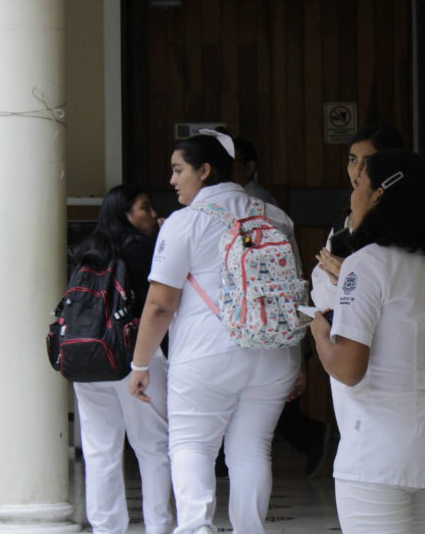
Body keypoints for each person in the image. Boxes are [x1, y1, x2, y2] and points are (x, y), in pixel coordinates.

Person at [128, 132, 302, 534]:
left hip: (207, 352)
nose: (172, 181)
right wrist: (300, 359)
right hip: (276, 351)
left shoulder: (184, 222)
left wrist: (141, 363)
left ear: (204, 171)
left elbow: (159, 304)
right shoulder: (274, 217)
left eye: (178, 170)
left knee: (193, 445)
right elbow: (291, 292)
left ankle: (196, 530)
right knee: (252, 450)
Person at [311, 149, 425, 534]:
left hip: (380, 447)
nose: (351, 196)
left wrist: (321, 334)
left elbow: (350, 369)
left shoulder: (366, 264)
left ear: (379, 195)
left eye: (359, 186)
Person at [71, 184, 173, 534]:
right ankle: (158, 527)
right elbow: (159, 304)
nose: (153, 214)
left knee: (100, 450)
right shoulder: (143, 248)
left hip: (88, 358)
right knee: (152, 447)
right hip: (134, 358)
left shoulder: (87, 249)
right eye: (144, 208)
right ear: (125, 214)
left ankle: (106, 529)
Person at [311, 124, 406, 307]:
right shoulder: (343, 226)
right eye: (353, 160)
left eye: (369, 161)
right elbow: (321, 300)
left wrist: (352, 274)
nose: (358, 170)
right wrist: (335, 281)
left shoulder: (407, 224)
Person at [231, 137, 279, 207]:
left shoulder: (258, 200)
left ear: (249, 167)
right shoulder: (238, 196)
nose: (225, 168)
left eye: (231, 162)